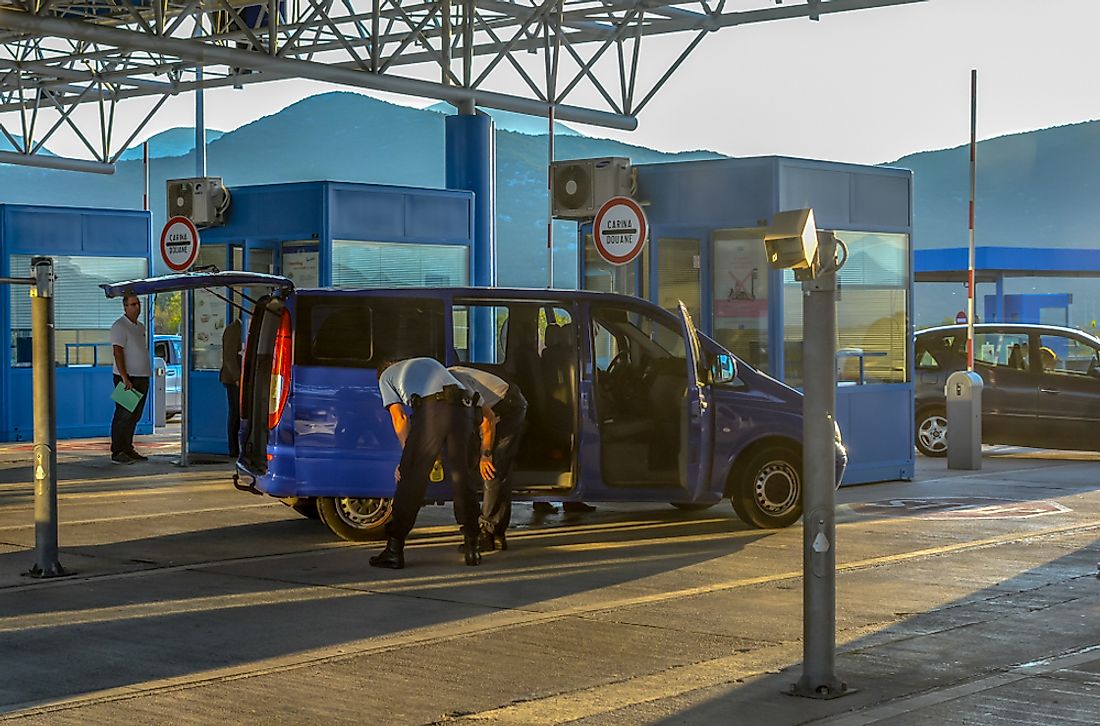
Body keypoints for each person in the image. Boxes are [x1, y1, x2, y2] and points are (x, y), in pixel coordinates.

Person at [370, 357, 481, 569]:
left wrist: (407, 456)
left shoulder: (386, 377)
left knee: (411, 479)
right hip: (464, 409)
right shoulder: (426, 362)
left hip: (434, 410)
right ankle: (472, 547)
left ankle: (394, 550)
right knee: (463, 478)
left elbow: (400, 418)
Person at [447, 366, 528, 552]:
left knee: (493, 467)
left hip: (507, 406)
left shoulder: (456, 385)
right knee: (473, 464)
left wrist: (486, 454)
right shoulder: (444, 383)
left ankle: (490, 532)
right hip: (491, 407)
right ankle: (491, 531)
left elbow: (487, 419)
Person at [110, 293, 151, 464]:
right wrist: (125, 378)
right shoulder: (120, 326)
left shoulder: (140, 327)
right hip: (127, 378)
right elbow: (117, 352)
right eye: (133, 304)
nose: (137, 307)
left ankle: (128, 447)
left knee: (135, 415)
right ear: (125, 307)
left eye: (138, 304)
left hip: (142, 377)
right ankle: (117, 450)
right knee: (124, 415)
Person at [220, 316, 243, 458]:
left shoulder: (245, 328)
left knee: (240, 413)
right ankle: (233, 449)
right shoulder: (233, 330)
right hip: (233, 380)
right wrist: (237, 377)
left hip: (242, 379)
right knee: (235, 413)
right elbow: (229, 357)